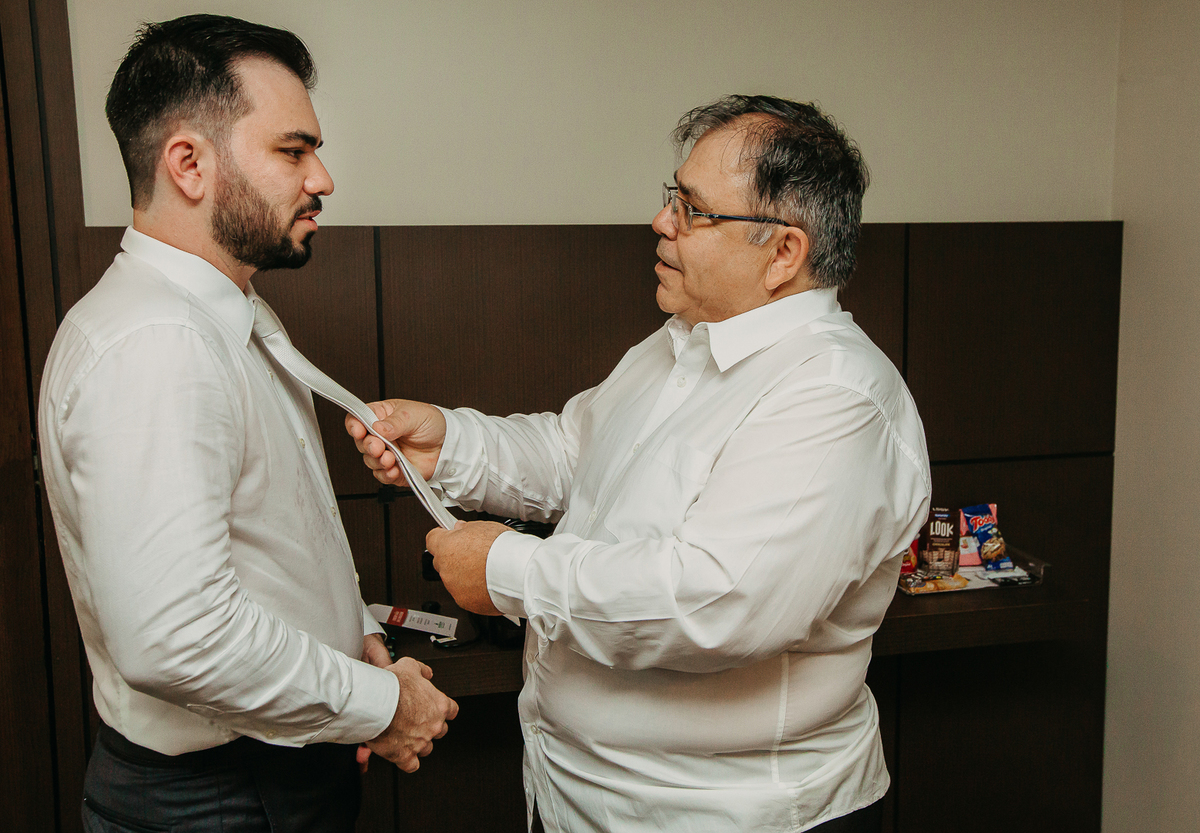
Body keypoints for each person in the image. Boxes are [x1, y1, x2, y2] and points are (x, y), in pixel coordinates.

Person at [349, 95, 930, 832]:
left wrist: (507, 572)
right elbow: (576, 453)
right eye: (671, 197)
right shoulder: (679, 342)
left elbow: (715, 603)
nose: (661, 222)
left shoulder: (835, 394)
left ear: (784, 253)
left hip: (731, 819)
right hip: (574, 798)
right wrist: (452, 445)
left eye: (693, 209)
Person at [38, 14, 457, 832]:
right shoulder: (158, 346)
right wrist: (377, 702)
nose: (323, 178)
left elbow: (268, 546)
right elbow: (178, 636)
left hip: (273, 768)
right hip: (223, 796)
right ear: (189, 164)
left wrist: (352, 648)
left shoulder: (222, 317)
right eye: (293, 151)